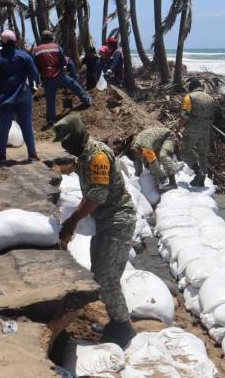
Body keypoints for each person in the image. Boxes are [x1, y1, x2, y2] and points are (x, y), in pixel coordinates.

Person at [54, 113, 136, 347]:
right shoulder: (85, 156)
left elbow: (97, 196)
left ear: (79, 136)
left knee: (108, 278)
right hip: (105, 222)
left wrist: (73, 221)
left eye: (68, 141)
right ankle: (116, 322)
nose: (65, 146)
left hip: (118, 221)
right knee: (99, 273)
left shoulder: (97, 156)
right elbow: (90, 195)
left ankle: (123, 327)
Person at [0, 30, 40, 163]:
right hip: (23, 96)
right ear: (15, 41)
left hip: (3, 99)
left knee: (4, 127)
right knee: (26, 125)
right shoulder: (24, 56)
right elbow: (35, 76)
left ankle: (2, 155)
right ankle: (32, 153)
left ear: (1, 42)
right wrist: (31, 91)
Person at [33, 30, 91, 127]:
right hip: (59, 74)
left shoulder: (36, 50)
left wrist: (40, 77)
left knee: (50, 99)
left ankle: (52, 120)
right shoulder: (56, 47)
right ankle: (86, 100)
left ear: (42, 38)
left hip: (46, 78)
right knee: (74, 85)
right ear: (51, 38)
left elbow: (35, 67)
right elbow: (64, 63)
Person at [177, 80, 215, 187]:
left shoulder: (189, 97)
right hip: (206, 129)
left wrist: (178, 129)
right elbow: (212, 116)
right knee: (202, 154)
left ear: (191, 88)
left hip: (193, 128)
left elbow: (185, 115)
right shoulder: (210, 98)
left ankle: (199, 172)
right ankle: (201, 181)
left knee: (185, 152)